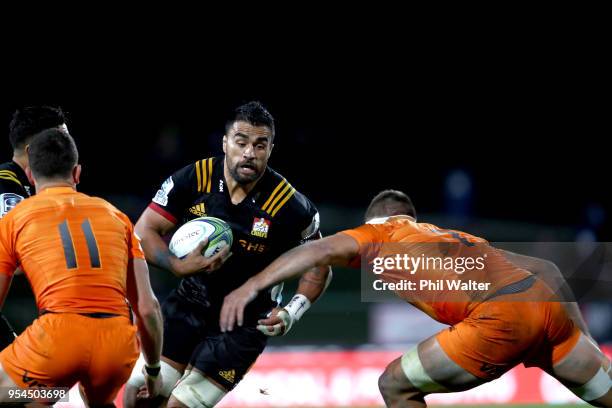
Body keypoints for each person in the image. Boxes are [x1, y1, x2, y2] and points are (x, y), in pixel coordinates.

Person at [220, 189, 612, 407]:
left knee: (395, 385)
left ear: (375, 219)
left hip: (498, 320)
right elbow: (548, 270)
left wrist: (252, 284)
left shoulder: (378, 234)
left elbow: (316, 253)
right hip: (541, 304)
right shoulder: (452, 236)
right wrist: (586, 343)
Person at [125, 101, 331, 408]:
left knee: (179, 405)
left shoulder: (291, 206)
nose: (250, 153)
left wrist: (291, 312)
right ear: (225, 143)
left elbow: (320, 263)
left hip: (244, 325)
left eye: (260, 145)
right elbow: (143, 232)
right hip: (189, 305)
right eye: (241, 142)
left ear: (270, 150)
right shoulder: (194, 178)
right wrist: (176, 266)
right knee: (138, 393)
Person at [0, 129, 163, 406]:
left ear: (30, 176)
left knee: (24, 393)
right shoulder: (118, 216)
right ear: (76, 173)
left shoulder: (14, 219)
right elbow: (148, 308)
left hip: (57, 340)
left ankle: (54, 394)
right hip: (116, 345)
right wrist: (153, 371)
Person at [0, 105, 69, 349]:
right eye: (59, 141)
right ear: (32, 150)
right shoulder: (6, 183)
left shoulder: (37, 186)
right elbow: (15, 258)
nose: (69, 149)